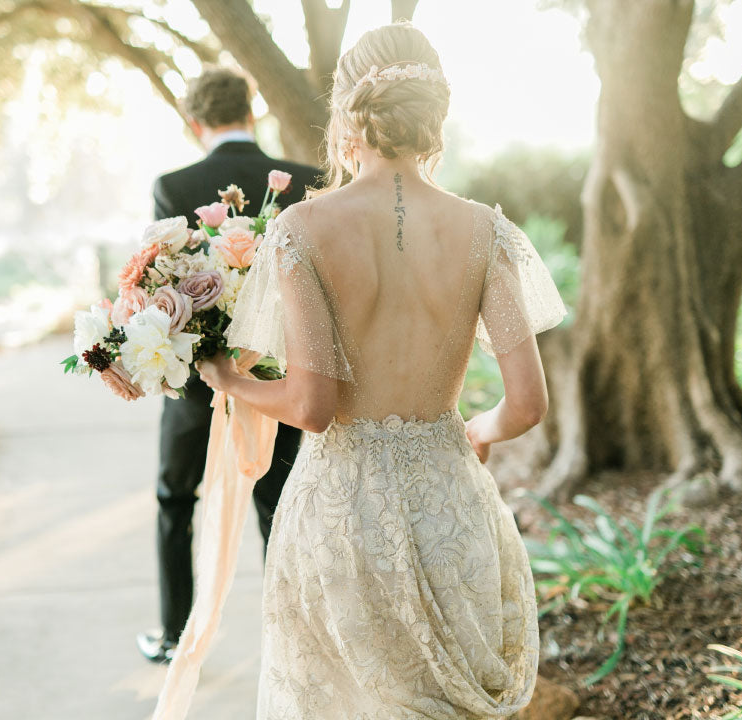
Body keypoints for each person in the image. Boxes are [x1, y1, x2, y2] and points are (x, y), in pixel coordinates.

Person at [197, 23, 565, 719]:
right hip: (449, 503)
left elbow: (312, 405)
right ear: (435, 111)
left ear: (346, 112)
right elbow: (527, 404)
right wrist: (472, 434)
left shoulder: (303, 229)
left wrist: (232, 381)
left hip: (342, 512)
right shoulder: (484, 232)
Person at [138, 67, 322, 665]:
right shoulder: (306, 180)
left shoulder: (173, 184)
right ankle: (291, 643)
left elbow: (162, 281)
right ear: (253, 111)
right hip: (280, 376)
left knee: (175, 498)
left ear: (196, 123)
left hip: (196, 379)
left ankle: (174, 637)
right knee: (280, 502)